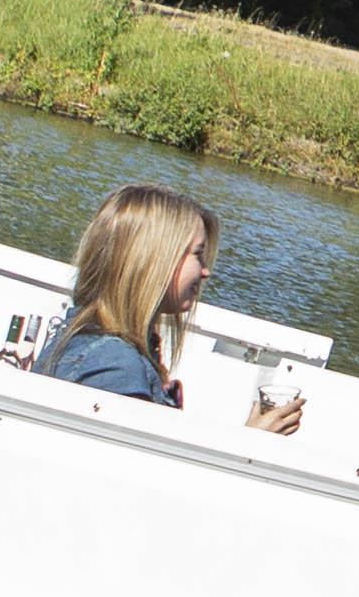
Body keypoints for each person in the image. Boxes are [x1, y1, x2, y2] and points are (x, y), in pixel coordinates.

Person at [33, 185, 306, 434]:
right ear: (154, 261)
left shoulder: (89, 339)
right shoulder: (114, 367)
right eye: (198, 254)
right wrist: (251, 443)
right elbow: (142, 479)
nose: (205, 271)